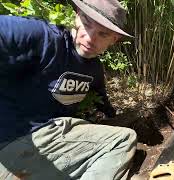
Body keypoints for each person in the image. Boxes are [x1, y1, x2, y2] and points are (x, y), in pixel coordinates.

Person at [0, 0, 138, 179]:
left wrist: (115, 115)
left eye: (103, 34)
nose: (90, 38)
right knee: (122, 140)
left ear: (114, 39)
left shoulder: (94, 70)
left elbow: (102, 99)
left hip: (44, 150)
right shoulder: (45, 38)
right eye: (87, 24)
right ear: (77, 15)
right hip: (15, 140)